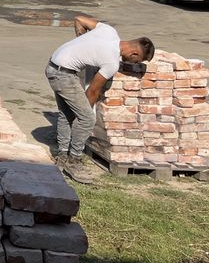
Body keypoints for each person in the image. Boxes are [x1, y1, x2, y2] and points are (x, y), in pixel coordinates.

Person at [45, 14, 155, 184]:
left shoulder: (109, 31)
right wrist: (84, 115)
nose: (134, 63)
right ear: (134, 53)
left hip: (54, 65)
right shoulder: (111, 62)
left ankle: (61, 157)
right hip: (63, 75)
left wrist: (81, 41)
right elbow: (93, 91)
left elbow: (79, 19)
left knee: (66, 115)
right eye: (137, 60)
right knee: (87, 118)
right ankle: (73, 161)